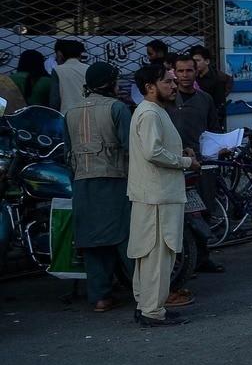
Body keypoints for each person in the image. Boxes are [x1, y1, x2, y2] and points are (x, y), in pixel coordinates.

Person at [127, 65, 197, 327]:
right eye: (167, 81)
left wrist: (181, 154)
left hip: (155, 194)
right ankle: (152, 311)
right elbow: (153, 152)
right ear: (150, 87)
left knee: (150, 255)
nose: (174, 85)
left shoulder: (153, 111)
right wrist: (186, 162)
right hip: (158, 196)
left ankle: (146, 306)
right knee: (158, 255)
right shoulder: (149, 113)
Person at [63, 62, 133, 312]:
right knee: (126, 237)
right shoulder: (117, 108)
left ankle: (101, 297)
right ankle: (145, 292)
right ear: (110, 83)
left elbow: (67, 152)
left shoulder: (70, 112)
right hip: (115, 180)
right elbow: (131, 147)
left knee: (92, 241)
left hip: (82, 183)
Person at [168, 54, 223, 274]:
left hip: (201, 163)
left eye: (189, 70)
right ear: (174, 73)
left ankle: (202, 257)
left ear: (196, 71)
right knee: (177, 215)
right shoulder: (167, 99)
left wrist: (220, 147)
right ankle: (180, 263)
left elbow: (213, 129)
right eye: (180, 71)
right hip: (174, 163)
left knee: (204, 209)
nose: (184, 75)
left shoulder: (205, 99)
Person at [52, 39, 90, 112]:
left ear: (59, 54)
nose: (56, 59)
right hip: (87, 112)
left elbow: (55, 101)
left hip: (66, 114)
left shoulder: (58, 70)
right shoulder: (88, 68)